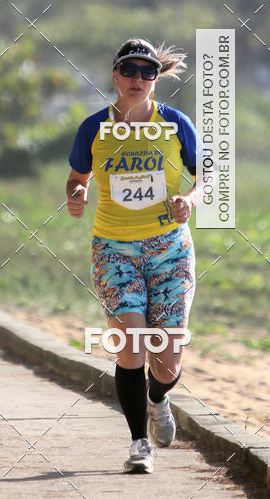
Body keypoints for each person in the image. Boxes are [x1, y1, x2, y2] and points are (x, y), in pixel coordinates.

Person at [66, 39, 197, 474]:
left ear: (156, 79)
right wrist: (77, 193)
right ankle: (140, 443)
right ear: (115, 76)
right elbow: (77, 176)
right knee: (132, 346)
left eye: (148, 72)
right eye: (129, 70)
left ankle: (158, 399)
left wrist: (190, 199)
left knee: (169, 357)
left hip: (170, 250)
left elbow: (208, 174)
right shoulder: (94, 128)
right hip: (114, 249)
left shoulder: (176, 124)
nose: (138, 79)